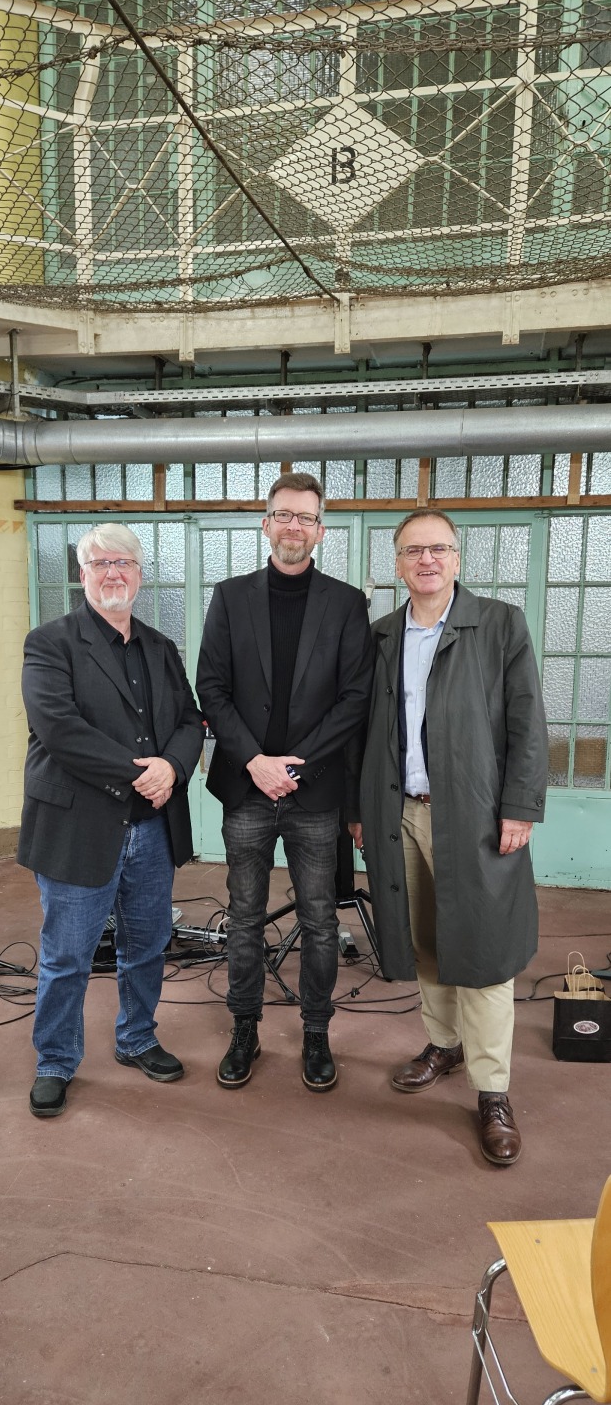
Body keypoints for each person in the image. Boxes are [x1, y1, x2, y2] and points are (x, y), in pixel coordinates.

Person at [347, 509, 547, 1165]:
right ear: (398, 564)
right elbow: (361, 733)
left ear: (457, 559)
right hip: (395, 813)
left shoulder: (497, 625)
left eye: (438, 549)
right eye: (413, 551)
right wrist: (359, 810)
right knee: (422, 938)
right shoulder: (379, 636)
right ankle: (444, 1043)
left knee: (484, 954)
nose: (426, 561)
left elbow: (526, 721)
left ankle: (492, 1089)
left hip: (475, 816)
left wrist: (518, 806)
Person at [18, 523, 204, 1118]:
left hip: (151, 828)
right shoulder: (50, 643)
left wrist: (173, 765)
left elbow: (191, 720)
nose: (112, 573)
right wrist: (139, 772)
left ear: (140, 574)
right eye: (99, 563)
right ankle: (54, 1060)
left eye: (123, 562)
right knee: (67, 955)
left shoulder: (160, 647)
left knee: (147, 945)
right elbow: (59, 730)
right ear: (82, 574)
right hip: (79, 825)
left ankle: (137, 1038)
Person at [197, 472, 373, 1092]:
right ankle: (244, 1027)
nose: (294, 526)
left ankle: (316, 1031)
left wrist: (294, 763)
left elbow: (354, 700)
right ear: (266, 523)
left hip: (315, 791)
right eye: (284, 515)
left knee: (322, 921)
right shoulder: (229, 596)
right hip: (246, 789)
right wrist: (254, 760)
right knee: (244, 917)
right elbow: (211, 688)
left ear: (320, 530)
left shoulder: (348, 604)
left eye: (306, 517)